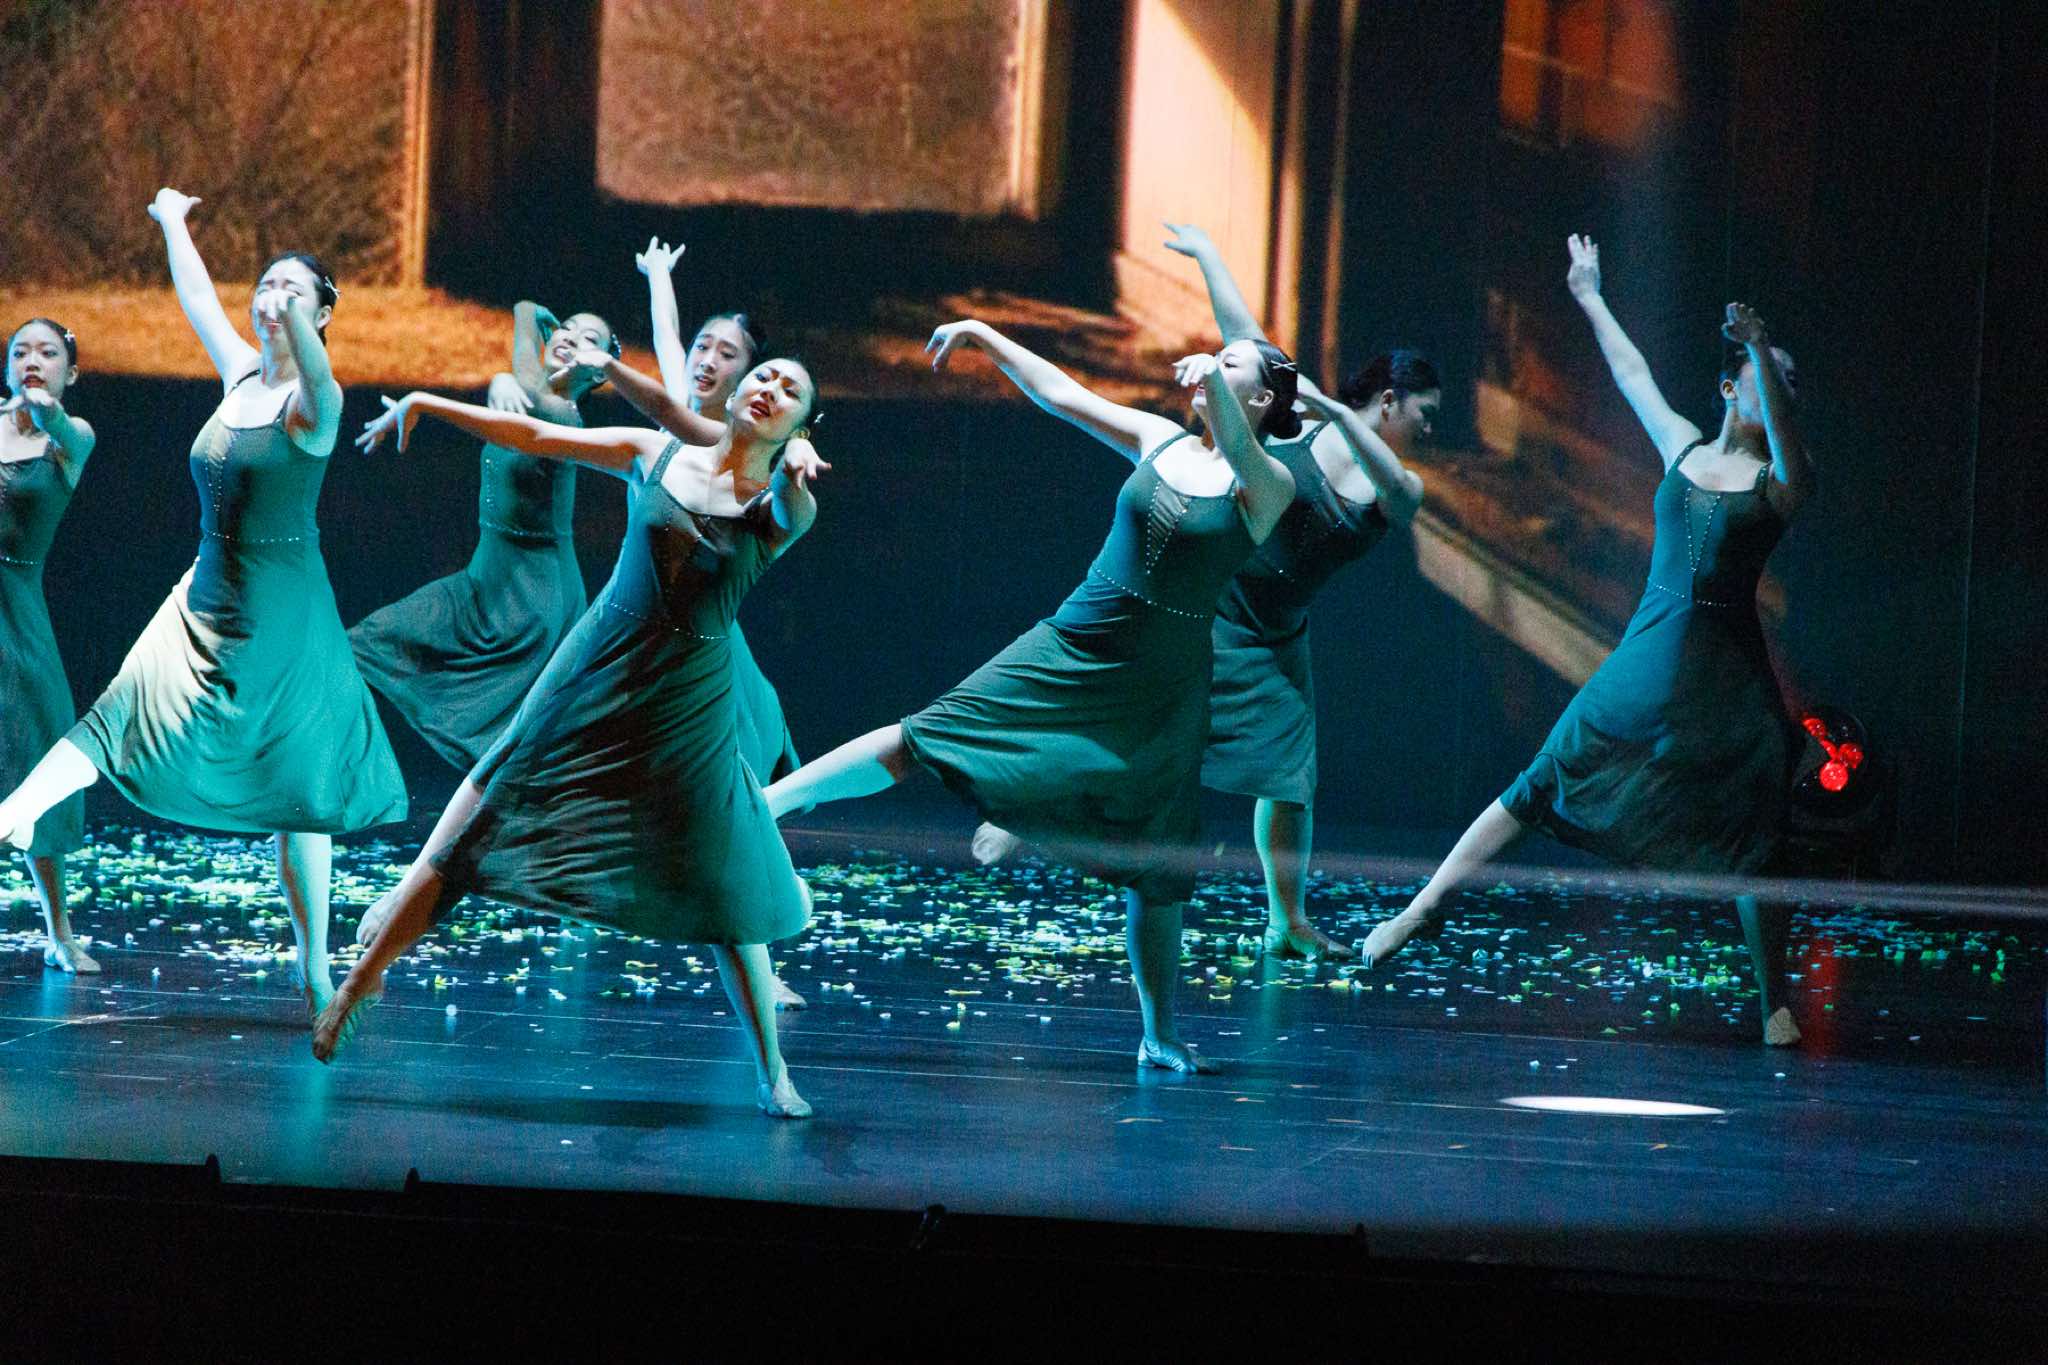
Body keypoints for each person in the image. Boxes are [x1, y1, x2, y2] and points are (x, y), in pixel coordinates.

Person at [763, 321, 1298, 1074]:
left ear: (1262, 397)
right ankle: (766, 804)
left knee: (1158, 864)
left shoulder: (1271, 483)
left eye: (1231, 361)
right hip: (1078, 637)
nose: (1211, 364)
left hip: (1162, 683)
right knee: (931, 731)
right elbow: (1061, 394)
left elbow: (1242, 453)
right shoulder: (1161, 440)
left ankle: (1159, 1033)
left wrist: (1210, 377)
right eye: (1214, 359)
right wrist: (987, 336)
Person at [316, 354, 826, 1119]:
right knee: (487, 811)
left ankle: (772, 1072)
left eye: (790, 393)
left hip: (688, 698)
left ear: (798, 426)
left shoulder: (781, 503)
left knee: (725, 885)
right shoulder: (655, 454)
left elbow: (790, 503)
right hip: (598, 662)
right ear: (736, 393)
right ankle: (362, 980)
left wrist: (792, 470)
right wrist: (429, 402)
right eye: (766, 377)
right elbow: (534, 436)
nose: (769, 390)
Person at [1360, 234, 1814, 1047]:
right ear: (1727, 388)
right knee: (1544, 776)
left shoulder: (1779, 479)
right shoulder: (1684, 444)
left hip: (1725, 675)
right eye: (1762, 372)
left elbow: (1789, 454)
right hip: (1651, 652)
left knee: (1755, 833)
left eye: (1785, 378)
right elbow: (1634, 376)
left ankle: (1771, 996)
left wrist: (1758, 346)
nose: (1777, 382)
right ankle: (1424, 906)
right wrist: (1590, 296)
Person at [976, 224, 1439, 962]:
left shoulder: (1393, 478)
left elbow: (1398, 493)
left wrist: (1336, 411)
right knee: (1153, 730)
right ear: (1391, 400)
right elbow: (1244, 338)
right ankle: (1028, 807)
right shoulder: (1294, 420)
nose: (1430, 428)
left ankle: (1286, 920)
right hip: (1217, 600)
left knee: (1290, 775)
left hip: (1278, 631)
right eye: (1424, 413)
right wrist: (1210, 256)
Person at [0, 189, 408, 1014]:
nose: (270, 299)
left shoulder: (316, 405)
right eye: (265, 286)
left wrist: (298, 324)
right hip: (205, 591)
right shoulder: (241, 373)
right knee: (121, 708)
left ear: (324, 313)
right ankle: (14, 812)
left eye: (292, 290)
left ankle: (315, 966)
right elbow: (196, 300)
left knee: (301, 794)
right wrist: (172, 222)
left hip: (285, 611)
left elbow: (318, 375)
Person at [349, 301, 616, 772]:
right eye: (567, 329)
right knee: (370, 644)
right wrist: (508, 373)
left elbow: (524, 383)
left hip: (530, 598)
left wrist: (449, 394)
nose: (571, 338)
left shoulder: (561, 414)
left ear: (599, 373)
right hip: (485, 580)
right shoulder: (529, 393)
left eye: (589, 340)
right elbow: (526, 314)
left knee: (503, 736)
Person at [0, 318, 99, 972]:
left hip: (17, 618)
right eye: (20, 351)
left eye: (48, 352)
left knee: (33, 765)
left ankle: (59, 931)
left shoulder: (71, 438)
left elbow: (64, 428)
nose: (32, 360)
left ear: (71, 370)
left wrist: (46, 412)